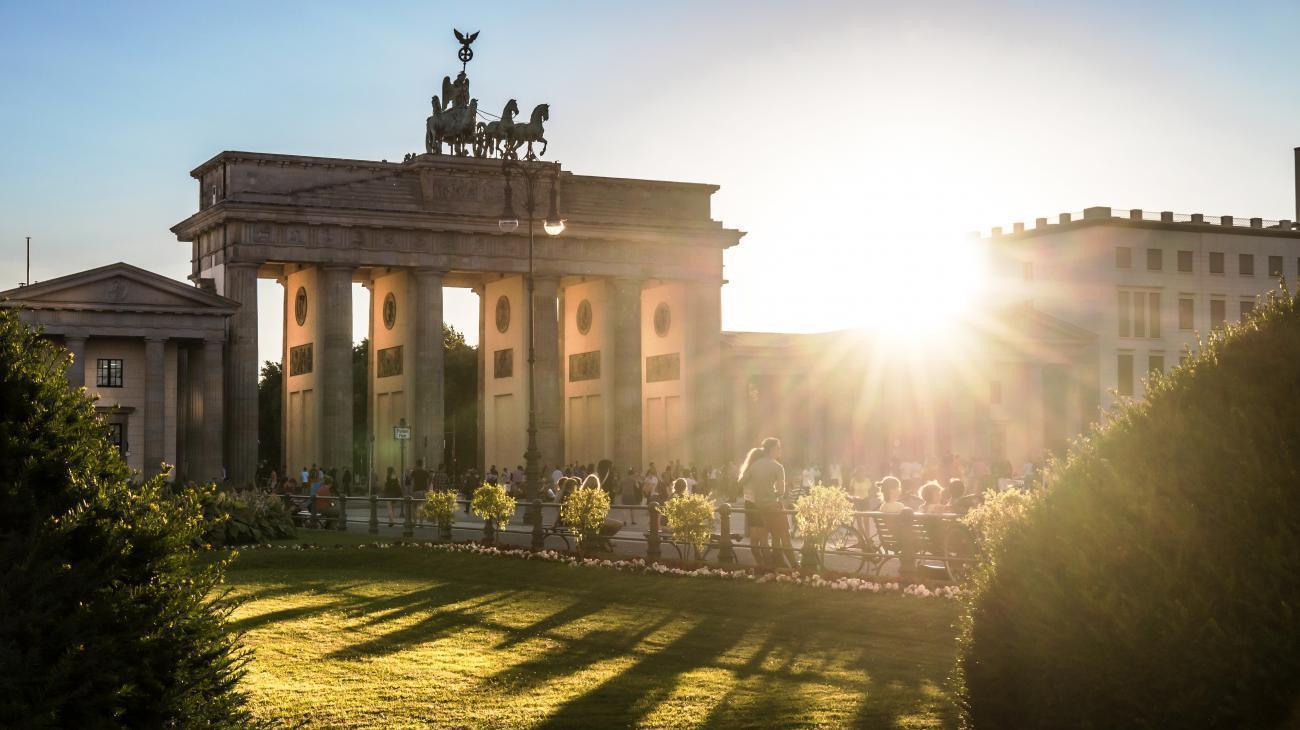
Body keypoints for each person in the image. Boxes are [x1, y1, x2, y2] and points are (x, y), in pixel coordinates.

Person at [739, 437, 796, 570]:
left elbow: (741, 482)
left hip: (758, 508)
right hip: (772, 506)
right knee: (784, 537)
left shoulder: (753, 465)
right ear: (772, 449)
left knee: (766, 539)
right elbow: (781, 491)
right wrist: (773, 493)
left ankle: (770, 565)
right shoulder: (778, 466)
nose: (780, 451)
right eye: (778, 448)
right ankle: (795, 566)